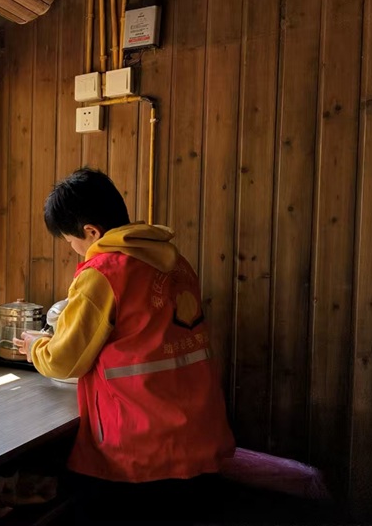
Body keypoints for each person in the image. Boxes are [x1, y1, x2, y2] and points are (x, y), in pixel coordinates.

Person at [15, 168, 235, 522]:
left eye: (71, 242)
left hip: (139, 447)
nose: (75, 250)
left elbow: (63, 361)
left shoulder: (103, 272)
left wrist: (35, 348)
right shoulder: (175, 263)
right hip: (198, 432)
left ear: (91, 231)